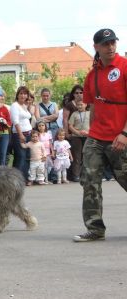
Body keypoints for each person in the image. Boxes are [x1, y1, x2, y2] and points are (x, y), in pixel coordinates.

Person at [73, 28, 127, 242]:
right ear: (96, 47)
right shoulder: (91, 75)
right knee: (89, 181)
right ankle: (95, 228)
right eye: (106, 44)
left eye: (113, 42)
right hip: (97, 137)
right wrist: (93, 131)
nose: (111, 47)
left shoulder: (124, 67)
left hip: (121, 135)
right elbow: (93, 105)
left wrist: (124, 133)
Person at [10, 86, 33, 181]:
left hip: (28, 133)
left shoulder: (24, 106)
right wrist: (20, 134)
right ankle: (16, 179)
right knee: (20, 156)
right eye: (21, 93)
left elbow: (28, 117)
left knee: (27, 156)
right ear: (17, 95)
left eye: (25, 94)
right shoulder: (15, 105)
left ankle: (24, 178)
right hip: (20, 134)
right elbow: (15, 121)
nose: (23, 95)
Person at [68, 99, 90, 182]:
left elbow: (94, 124)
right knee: (77, 156)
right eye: (78, 105)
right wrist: (77, 132)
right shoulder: (74, 114)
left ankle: (87, 175)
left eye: (82, 104)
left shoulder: (90, 113)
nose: (80, 106)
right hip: (76, 137)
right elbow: (70, 126)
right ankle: (76, 175)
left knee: (87, 156)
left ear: (86, 104)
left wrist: (88, 132)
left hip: (88, 136)